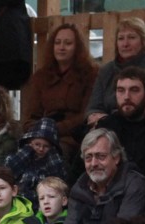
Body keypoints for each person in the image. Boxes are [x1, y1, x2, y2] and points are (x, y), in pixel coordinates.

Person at [22, 23, 98, 157]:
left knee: (55, 153)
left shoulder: (90, 75)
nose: (61, 47)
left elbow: (86, 115)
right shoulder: (41, 76)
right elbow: (31, 114)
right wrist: (38, 131)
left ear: (77, 47)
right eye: (57, 43)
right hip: (42, 133)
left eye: (68, 43)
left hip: (72, 136)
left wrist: (55, 129)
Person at [85, 17, 145, 127]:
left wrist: (110, 119)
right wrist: (95, 116)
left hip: (142, 129)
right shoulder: (106, 70)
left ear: (143, 41)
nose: (125, 44)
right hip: (105, 129)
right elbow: (93, 108)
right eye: (121, 38)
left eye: (131, 37)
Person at [4, 118, 68, 204]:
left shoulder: (53, 162)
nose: (41, 149)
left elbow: (58, 182)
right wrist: (27, 151)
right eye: (37, 144)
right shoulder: (21, 155)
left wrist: (52, 155)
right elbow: (8, 171)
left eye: (46, 146)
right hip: (18, 202)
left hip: (41, 205)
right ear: (30, 142)